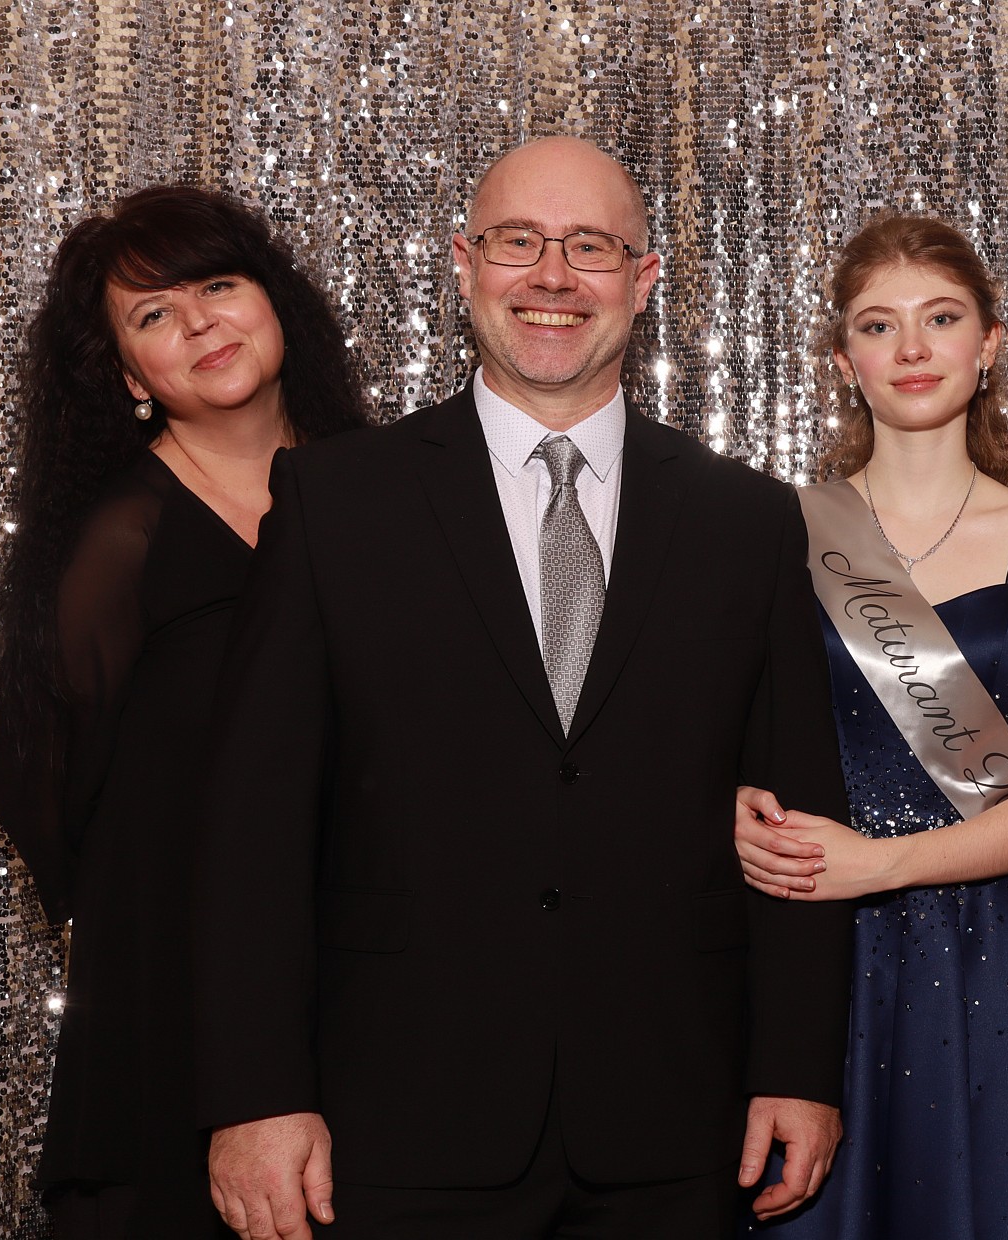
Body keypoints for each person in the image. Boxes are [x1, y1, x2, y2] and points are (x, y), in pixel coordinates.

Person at [193, 136, 852, 1239]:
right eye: (517, 242)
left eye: (591, 247)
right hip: (395, 1112)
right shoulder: (333, 501)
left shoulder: (747, 519)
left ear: (643, 280)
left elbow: (795, 811)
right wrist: (256, 1092)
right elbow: (251, 824)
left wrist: (797, 1065)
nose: (552, 276)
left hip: (673, 1114)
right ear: (464, 265)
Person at [731, 214, 1008, 1237]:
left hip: (1007, 955)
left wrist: (875, 865)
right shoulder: (779, 531)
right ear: (843, 360)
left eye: (939, 318)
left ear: (988, 345)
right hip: (821, 958)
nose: (911, 348)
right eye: (877, 325)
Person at [0, 185, 370, 1238]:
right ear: (127, 375)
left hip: (370, 988)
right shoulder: (120, 541)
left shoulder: (386, 498)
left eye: (217, 284)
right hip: (172, 1009)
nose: (200, 322)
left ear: (273, 301)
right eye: (154, 313)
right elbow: (38, 776)